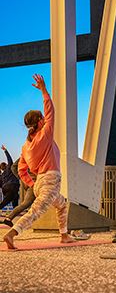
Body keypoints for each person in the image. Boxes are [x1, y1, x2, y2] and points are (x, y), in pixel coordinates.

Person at [3, 74, 74, 249]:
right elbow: (51, 110)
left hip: (41, 182)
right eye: (43, 118)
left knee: (62, 205)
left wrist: (32, 183)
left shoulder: (25, 146)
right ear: (41, 121)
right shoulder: (45, 134)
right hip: (50, 180)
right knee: (36, 211)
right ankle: (12, 234)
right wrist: (43, 90)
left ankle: (64, 235)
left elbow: (20, 170)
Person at [2, 157, 37, 227]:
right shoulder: (28, 155)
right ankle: (9, 218)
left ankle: (9, 218)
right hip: (33, 183)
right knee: (27, 203)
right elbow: (13, 167)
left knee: (30, 204)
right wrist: (22, 178)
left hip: (33, 183)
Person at [0, 145, 20, 211]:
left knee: (15, 196)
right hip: (12, 186)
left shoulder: (2, 175)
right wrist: (5, 150)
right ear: (6, 165)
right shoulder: (9, 168)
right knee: (7, 200)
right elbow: (9, 159)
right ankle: (14, 209)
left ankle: (15, 209)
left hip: (5, 189)